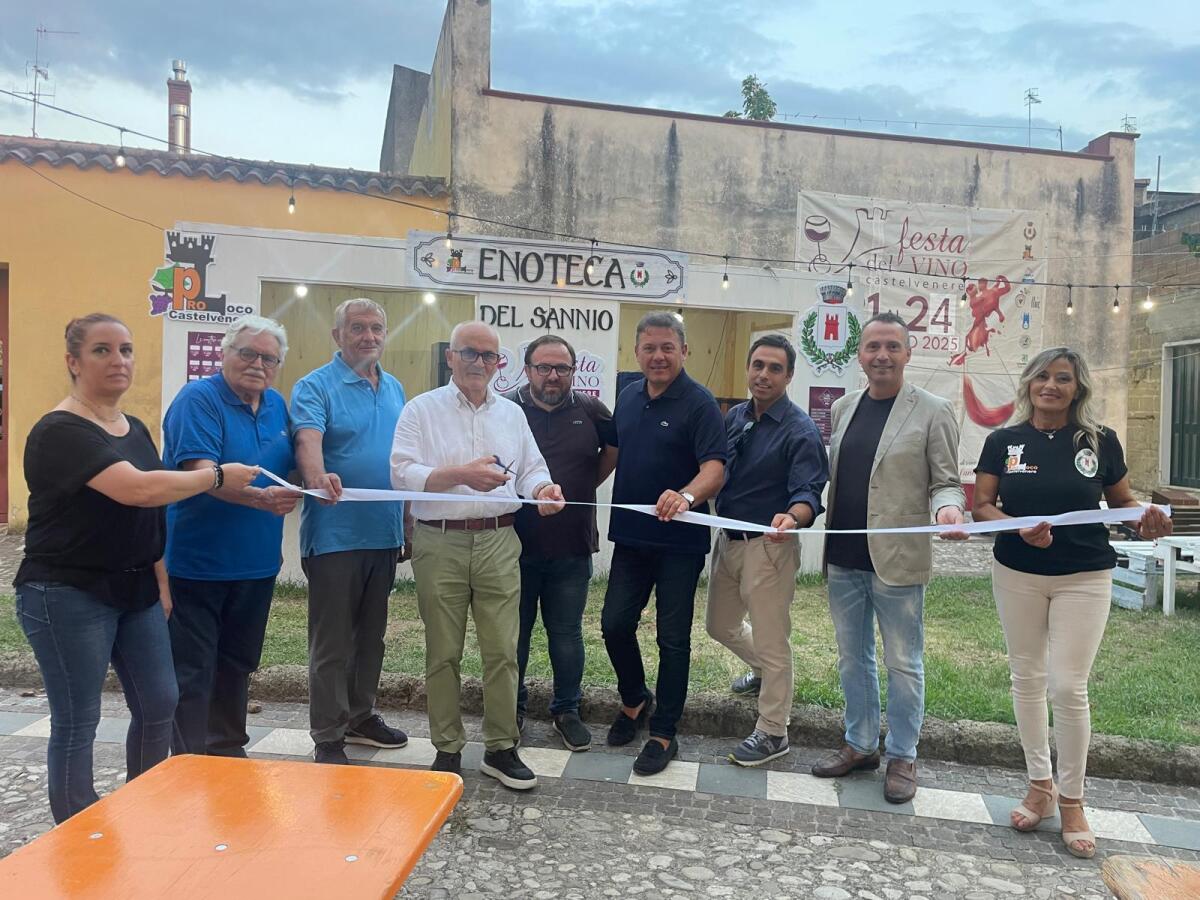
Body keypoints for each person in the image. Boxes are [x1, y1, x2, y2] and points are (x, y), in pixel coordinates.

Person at [14, 314, 257, 822]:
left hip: (139, 588)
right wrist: (216, 475)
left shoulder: (134, 427)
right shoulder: (59, 431)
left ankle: (144, 811)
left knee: (160, 703)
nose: (118, 361)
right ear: (73, 362)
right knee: (79, 719)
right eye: (102, 350)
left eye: (125, 350)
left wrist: (161, 579)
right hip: (67, 591)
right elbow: (139, 488)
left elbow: (151, 510)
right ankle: (78, 833)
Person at [973, 346, 1172, 859]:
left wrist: (1143, 517)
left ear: (1077, 388)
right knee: (1026, 678)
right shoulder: (1003, 441)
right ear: (1029, 383)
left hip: (1084, 574)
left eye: (1063, 378)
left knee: (1067, 685)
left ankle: (1074, 799)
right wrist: (1014, 527)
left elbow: (1124, 503)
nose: (1051, 385)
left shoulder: (1099, 441)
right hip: (1017, 572)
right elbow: (982, 507)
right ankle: (1040, 784)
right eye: (1042, 376)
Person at [391, 321, 565, 790]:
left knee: (503, 651)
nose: (480, 364)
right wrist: (459, 475)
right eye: (470, 353)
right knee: (443, 652)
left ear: (498, 364)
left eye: (490, 357)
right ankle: (447, 749)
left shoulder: (511, 414)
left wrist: (544, 489)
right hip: (439, 539)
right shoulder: (420, 409)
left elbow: (530, 469)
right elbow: (401, 473)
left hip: (498, 539)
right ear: (451, 356)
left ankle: (501, 747)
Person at [814, 309, 967, 804]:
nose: (881, 355)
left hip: (898, 559)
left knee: (903, 661)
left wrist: (948, 512)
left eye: (892, 347)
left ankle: (903, 754)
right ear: (859, 354)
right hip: (843, 555)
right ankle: (860, 743)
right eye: (872, 346)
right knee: (852, 658)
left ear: (907, 352)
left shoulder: (933, 409)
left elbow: (947, 482)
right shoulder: (843, 408)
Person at [162, 314, 301, 759]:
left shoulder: (277, 405)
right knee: (193, 671)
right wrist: (261, 500)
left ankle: (227, 752)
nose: (258, 364)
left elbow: (292, 463)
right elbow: (201, 473)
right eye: (248, 353)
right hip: (198, 563)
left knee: (238, 664)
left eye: (269, 358)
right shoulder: (198, 400)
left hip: (257, 564)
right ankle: (188, 763)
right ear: (224, 354)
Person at [602, 311, 726, 776]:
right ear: (636, 352)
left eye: (667, 348)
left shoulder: (700, 403)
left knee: (672, 640)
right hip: (631, 538)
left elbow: (715, 468)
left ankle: (664, 731)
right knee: (614, 624)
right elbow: (613, 454)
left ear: (684, 351)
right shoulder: (629, 397)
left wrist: (688, 494)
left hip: (681, 543)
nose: (658, 356)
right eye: (649, 348)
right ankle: (635, 698)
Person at [292, 298, 411, 765]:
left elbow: (402, 462)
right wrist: (317, 477)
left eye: (377, 328)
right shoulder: (315, 386)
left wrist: (407, 520)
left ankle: (361, 716)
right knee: (333, 642)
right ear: (337, 335)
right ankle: (328, 734)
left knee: (371, 638)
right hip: (336, 536)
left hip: (383, 534)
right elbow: (307, 438)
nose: (368, 336)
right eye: (357, 328)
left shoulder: (396, 387)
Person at [706, 334, 829, 766]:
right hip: (728, 541)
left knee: (774, 641)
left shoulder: (801, 430)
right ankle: (765, 673)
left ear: (789, 376)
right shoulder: (735, 416)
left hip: (769, 546)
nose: (763, 374)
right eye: (757, 365)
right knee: (719, 625)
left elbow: (809, 494)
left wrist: (792, 519)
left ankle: (774, 731)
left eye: (775, 368)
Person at [503, 335, 618, 752]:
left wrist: (585, 483)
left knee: (566, 634)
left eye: (562, 368)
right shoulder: (506, 409)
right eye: (543, 367)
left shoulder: (591, 411)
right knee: (512, 637)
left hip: (571, 546)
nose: (552, 376)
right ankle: (510, 710)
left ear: (573, 371)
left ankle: (566, 711)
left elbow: (613, 450)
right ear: (527, 369)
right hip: (512, 547)